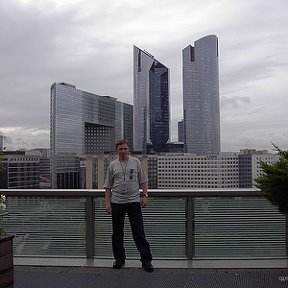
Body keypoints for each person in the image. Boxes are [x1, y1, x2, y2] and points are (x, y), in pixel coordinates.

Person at [104, 139, 154, 272]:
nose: (123, 151)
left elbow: (143, 181)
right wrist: (107, 203)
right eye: (120, 149)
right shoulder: (112, 165)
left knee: (139, 232)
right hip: (117, 202)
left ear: (128, 149)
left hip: (133, 202)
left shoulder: (136, 162)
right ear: (117, 150)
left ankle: (146, 260)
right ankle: (119, 259)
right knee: (117, 233)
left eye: (125, 149)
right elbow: (108, 186)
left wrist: (144, 196)